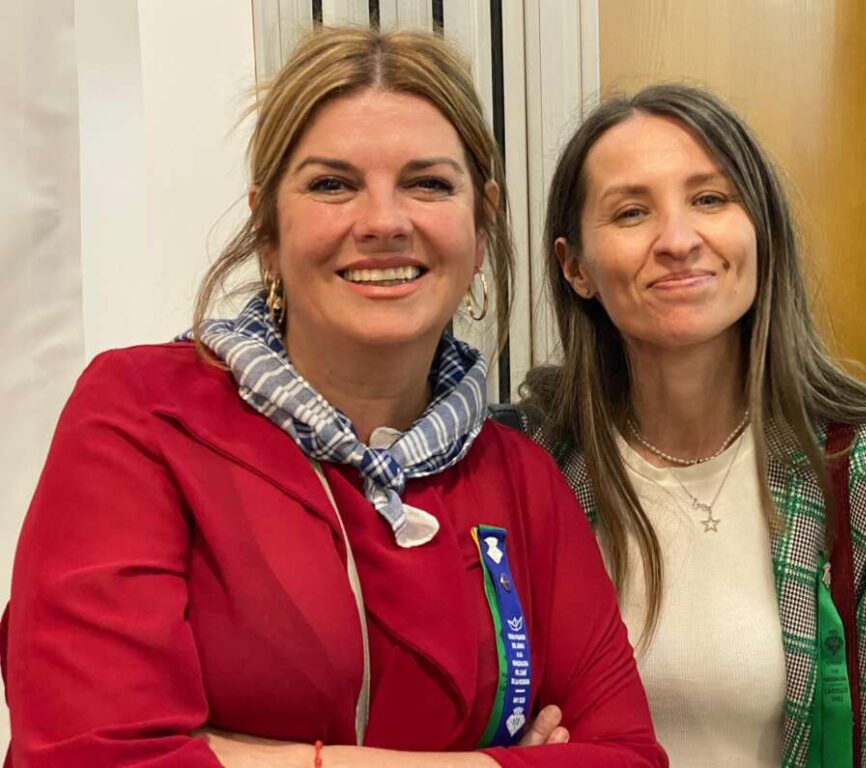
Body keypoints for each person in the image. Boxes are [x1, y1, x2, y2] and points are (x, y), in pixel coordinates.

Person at [2, 27, 667, 768]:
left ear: (480, 228)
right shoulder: (143, 417)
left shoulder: (523, 478)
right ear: (268, 230)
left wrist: (262, 756)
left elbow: (629, 757)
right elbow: (90, 758)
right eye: (331, 185)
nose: (384, 222)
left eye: (428, 183)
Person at [504, 83, 866, 766]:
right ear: (575, 266)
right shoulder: (528, 465)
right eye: (632, 211)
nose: (679, 241)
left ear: (761, 230)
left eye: (710, 199)